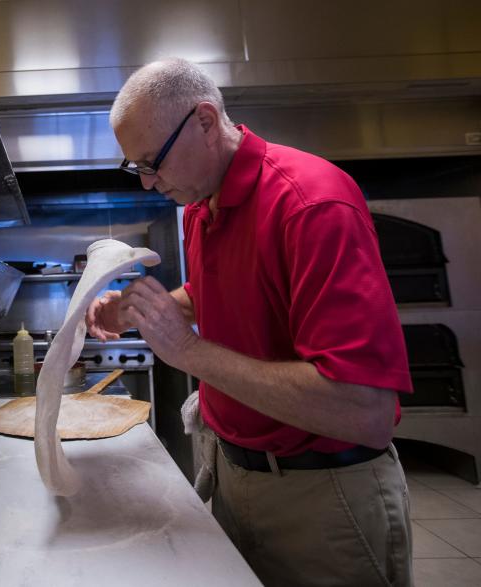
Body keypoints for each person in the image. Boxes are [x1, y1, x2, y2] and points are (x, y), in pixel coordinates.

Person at [86, 59, 414, 587]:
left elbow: (363, 409)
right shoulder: (201, 204)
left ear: (206, 121)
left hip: (320, 497)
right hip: (234, 475)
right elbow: (216, 290)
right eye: (136, 168)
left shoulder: (311, 204)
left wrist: (187, 351)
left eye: (153, 163)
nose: (148, 184)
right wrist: (132, 310)